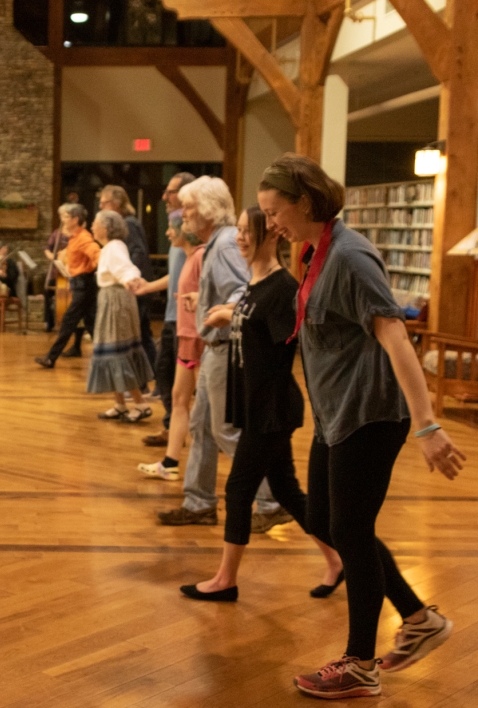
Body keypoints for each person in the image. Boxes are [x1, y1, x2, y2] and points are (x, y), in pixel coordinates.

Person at [250, 155, 463, 699]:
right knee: (327, 519)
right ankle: (417, 618)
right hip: (335, 416)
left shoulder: (350, 255)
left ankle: (361, 663)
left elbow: (394, 334)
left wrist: (427, 426)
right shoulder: (313, 251)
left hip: (369, 416)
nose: (270, 222)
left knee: (350, 530)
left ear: (305, 202)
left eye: (276, 212)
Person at [175, 205, 343, 602]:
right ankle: (337, 560)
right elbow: (254, 314)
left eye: (247, 231)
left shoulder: (283, 286)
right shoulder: (257, 281)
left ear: (271, 234)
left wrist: (229, 318)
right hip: (256, 403)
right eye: (237, 231)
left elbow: (291, 335)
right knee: (285, 490)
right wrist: (227, 312)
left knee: (238, 489)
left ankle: (224, 579)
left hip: (271, 408)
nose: (240, 238)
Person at [157, 176, 283, 528]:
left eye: (190, 207)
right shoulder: (217, 243)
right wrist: (207, 303)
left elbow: (245, 293)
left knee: (225, 430)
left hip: (225, 349)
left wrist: (220, 311)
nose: (184, 215)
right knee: (202, 428)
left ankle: (273, 499)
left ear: (209, 209)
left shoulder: (225, 243)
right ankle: (198, 502)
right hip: (217, 349)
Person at [136, 211, 204, 481]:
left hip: (197, 338)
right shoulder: (188, 257)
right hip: (185, 336)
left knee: (205, 408)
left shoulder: (200, 256)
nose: (168, 233)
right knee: (178, 399)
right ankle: (170, 463)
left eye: (173, 228)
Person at [139, 172, 197, 446]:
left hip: (186, 321)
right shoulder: (176, 228)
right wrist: (148, 287)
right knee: (164, 375)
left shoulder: (191, 229)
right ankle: (175, 428)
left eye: (171, 191)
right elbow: (176, 276)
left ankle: (185, 430)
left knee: (172, 378)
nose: (164, 196)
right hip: (173, 318)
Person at [86, 210, 154, 423]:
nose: (91, 227)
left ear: (105, 228)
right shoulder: (110, 247)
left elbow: (127, 269)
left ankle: (141, 404)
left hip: (116, 300)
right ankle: (120, 404)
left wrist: (130, 280)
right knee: (112, 350)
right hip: (112, 299)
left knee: (117, 352)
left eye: (95, 224)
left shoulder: (114, 247)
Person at [99, 185, 156, 370]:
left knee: (136, 335)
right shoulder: (128, 222)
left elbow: (137, 253)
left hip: (135, 287)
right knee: (143, 334)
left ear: (116, 204)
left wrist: (128, 280)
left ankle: (141, 381)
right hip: (135, 286)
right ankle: (153, 376)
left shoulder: (128, 223)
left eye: (104, 202)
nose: (101, 207)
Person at [35, 203, 99, 368]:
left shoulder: (83, 237)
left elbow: (96, 254)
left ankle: (51, 358)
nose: (62, 220)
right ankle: (104, 356)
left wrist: (99, 270)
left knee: (69, 321)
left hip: (84, 285)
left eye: (65, 217)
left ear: (75, 219)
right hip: (81, 284)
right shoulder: (74, 237)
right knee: (91, 324)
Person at [42, 220, 70, 332]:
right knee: (47, 290)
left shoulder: (76, 234)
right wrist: (51, 256)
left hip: (70, 271)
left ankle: (67, 321)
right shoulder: (57, 233)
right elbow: (47, 248)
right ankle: (49, 321)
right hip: (56, 270)